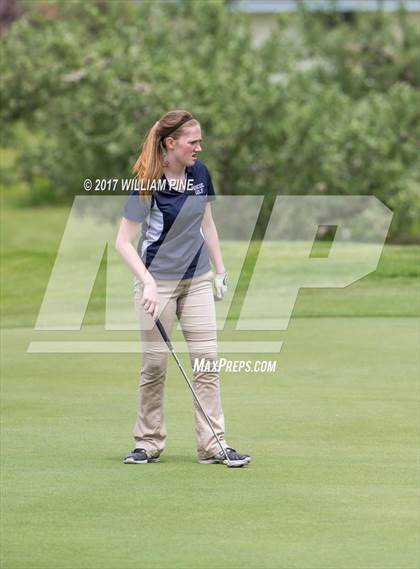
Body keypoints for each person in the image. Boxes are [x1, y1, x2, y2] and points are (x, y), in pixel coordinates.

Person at [115, 110, 251, 467]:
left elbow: (208, 224)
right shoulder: (148, 181)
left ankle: (214, 445)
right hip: (156, 283)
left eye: (200, 141)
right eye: (193, 142)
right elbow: (124, 243)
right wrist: (145, 282)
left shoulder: (199, 174)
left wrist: (220, 271)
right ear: (171, 143)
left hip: (197, 280)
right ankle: (147, 442)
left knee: (207, 363)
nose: (199, 148)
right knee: (155, 365)